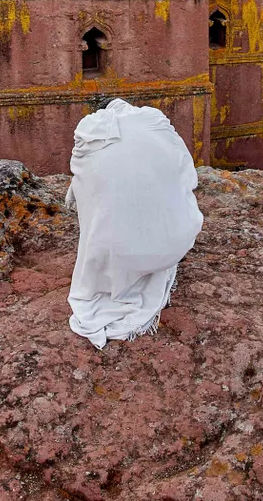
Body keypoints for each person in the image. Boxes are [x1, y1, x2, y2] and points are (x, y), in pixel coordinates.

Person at [66, 99, 202, 348]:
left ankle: (112, 264)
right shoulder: (155, 121)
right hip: (172, 242)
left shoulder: (88, 131)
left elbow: (80, 175)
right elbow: (187, 174)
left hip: (115, 246)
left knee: (94, 197)